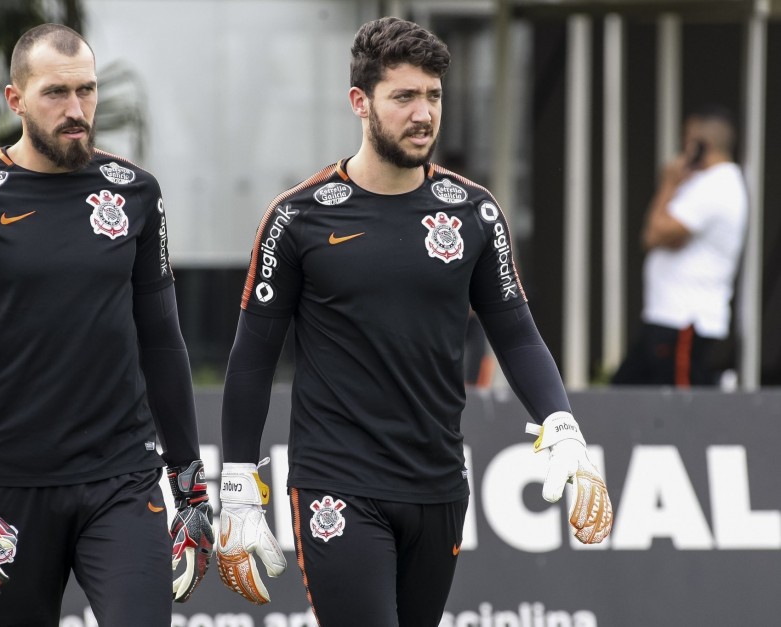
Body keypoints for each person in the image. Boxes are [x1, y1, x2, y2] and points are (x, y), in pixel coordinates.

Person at [214, 17, 613, 626]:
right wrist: (239, 483)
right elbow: (251, 358)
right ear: (361, 102)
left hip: (438, 481)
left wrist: (561, 424)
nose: (423, 113)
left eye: (433, 96)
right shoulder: (298, 218)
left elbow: (514, 329)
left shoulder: (475, 212)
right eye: (404, 97)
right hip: (337, 481)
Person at [0, 23, 212, 626]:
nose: (76, 111)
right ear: (15, 99)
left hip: (122, 481)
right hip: (9, 486)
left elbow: (162, 339)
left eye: (87, 90)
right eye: (56, 93)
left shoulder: (134, 192)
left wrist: (188, 476)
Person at [612, 105, 748, 387]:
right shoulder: (709, 183)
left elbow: (654, 234)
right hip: (669, 317)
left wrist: (668, 183)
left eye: (687, 140)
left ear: (702, 145)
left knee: (680, 407)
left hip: (685, 319)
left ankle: (720, 385)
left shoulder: (716, 185)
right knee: (625, 390)